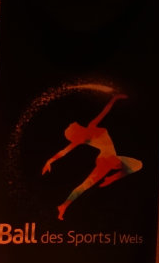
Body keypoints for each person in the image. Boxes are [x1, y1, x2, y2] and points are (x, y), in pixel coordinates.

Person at [41, 91, 143, 221]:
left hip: (109, 158)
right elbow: (64, 151)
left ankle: (63, 206)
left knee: (137, 164)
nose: (72, 123)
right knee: (88, 183)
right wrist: (50, 160)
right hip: (106, 159)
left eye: (71, 125)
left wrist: (114, 99)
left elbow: (104, 112)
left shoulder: (92, 125)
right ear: (76, 132)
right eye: (71, 127)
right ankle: (110, 179)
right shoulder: (82, 138)